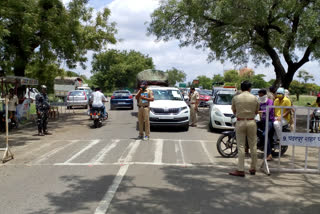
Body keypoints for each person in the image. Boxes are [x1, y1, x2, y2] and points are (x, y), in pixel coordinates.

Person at [229, 81, 259, 177]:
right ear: (249, 88)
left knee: (241, 146)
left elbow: (234, 110)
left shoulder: (236, 98)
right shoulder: (255, 98)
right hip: (251, 122)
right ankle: (253, 168)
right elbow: (256, 111)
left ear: (241, 88)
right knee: (253, 145)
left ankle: (240, 169)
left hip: (240, 122)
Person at [257, 89, 275, 161]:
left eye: (261, 95)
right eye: (259, 95)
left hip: (269, 121)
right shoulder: (261, 102)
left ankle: (269, 154)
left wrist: (261, 111)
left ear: (264, 95)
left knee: (265, 135)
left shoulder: (270, 101)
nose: (260, 96)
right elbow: (257, 109)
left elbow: (269, 110)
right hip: (262, 121)